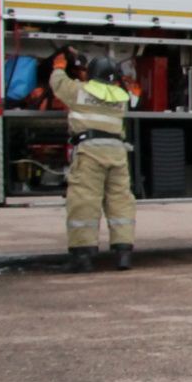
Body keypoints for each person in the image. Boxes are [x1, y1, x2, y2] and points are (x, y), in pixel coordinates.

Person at [50, 52, 135, 272]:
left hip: (90, 153)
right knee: (120, 202)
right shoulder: (122, 98)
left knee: (84, 201)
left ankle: (82, 257)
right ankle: (123, 253)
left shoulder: (79, 91)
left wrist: (59, 66)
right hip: (117, 154)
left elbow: (58, 84)